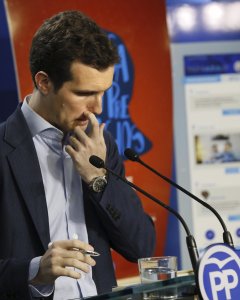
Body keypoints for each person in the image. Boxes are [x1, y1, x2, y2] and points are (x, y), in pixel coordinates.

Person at [0, 10, 156, 300]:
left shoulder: (100, 144)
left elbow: (141, 247)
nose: (98, 108)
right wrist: (34, 270)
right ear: (44, 82)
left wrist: (98, 180)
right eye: (85, 93)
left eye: (104, 92)